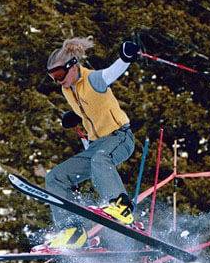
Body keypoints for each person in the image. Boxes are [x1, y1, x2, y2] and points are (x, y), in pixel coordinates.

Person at [40, 36, 142, 250]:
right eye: (53, 77)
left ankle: (121, 206)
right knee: (56, 177)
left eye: (59, 75)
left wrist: (126, 57)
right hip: (96, 146)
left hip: (119, 137)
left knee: (100, 158)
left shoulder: (93, 79)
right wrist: (76, 116)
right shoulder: (67, 90)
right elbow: (88, 109)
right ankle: (73, 232)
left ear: (73, 66)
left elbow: (112, 72)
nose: (58, 81)